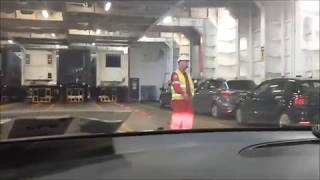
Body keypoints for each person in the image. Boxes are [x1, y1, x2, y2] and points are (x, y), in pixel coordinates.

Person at [170, 55, 194, 130]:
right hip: (178, 102)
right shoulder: (175, 74)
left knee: (188, 121)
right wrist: (184, 94)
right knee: (177, 121)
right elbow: (176, 87)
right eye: (185, 62)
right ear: (179, 63)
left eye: (187, 62)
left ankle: (187, 134)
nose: (187, 64)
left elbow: (190, 87)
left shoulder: (187, 75)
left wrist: (190, 96)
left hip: (188, 102)